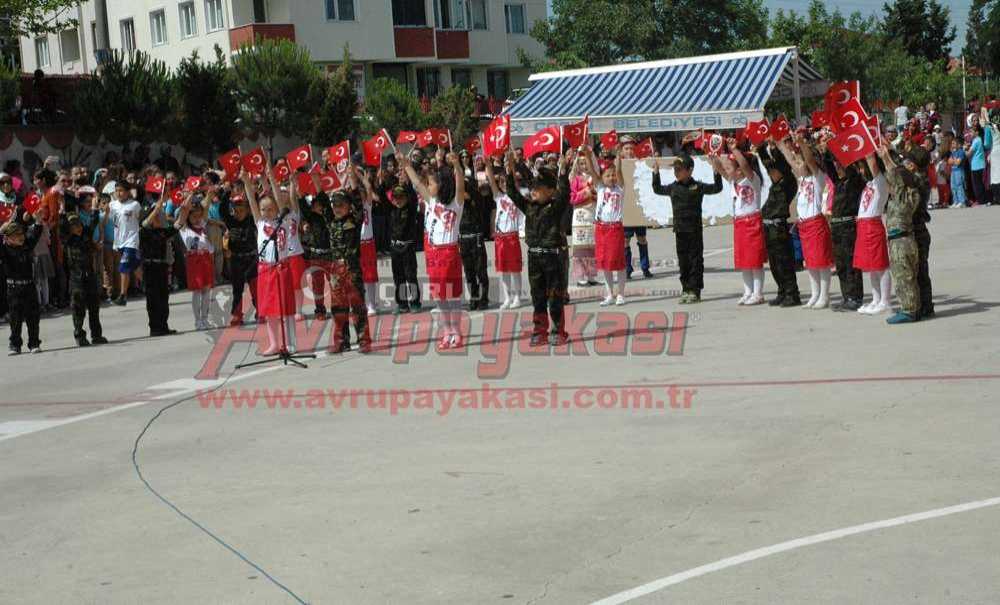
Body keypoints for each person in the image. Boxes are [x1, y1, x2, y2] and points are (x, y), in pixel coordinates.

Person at [504, 147, 571, 346]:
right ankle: (539, 330)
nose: (533, 191)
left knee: (555, 296)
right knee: (537, 296)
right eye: (532, 187)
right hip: (534, 257)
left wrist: (563, 171)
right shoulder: (529, 206)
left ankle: (558, 331)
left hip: (553, 257)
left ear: (550, 191)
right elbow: (512, 193)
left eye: (538, 188)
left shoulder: (555, 206)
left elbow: (565, 193)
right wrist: (509, 171)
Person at [402, 150, 466, 350]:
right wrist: (406, 165)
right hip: (433, 254)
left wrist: (457, 166)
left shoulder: (456, 204)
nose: (427, 186)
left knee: (452, 295)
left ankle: (457, 332)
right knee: (439, 296)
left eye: (431, 183)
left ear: (442, 184)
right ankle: (447, 331)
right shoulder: (431, 202)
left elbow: (460, 184)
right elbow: (416, 183)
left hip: (449, 253)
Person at [651, 154, 723, 304]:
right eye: (675, 169)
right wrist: (655, 173)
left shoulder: (697, 186)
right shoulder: (673, 187)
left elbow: (717, 188)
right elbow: (657, 189)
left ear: (690, 170)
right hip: (680, 231)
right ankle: (685, 289)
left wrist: (716, 170)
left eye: (679, 169)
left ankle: (695, 291)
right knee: (683, 262)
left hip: (694, 230)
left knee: (695, 261)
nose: (676, 172)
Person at [242, 167, 298, 355]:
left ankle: (290, 343)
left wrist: (272, 179)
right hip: (265, 269)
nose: (266, 212)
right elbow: (251, 200)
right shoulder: (260, 223)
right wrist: (246, 182)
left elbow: (279, 199)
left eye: (270, 208)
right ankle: (274, 344)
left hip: (282, 267)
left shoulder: (284, 221)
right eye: (263, 209)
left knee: (286, 308)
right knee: (270, 309)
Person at [777, 133, 833, 309]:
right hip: (804, 225)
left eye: (802, 162)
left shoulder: (818, 176)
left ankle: (824, 295)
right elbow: (791, 160)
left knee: (821, 262)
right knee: (810, 262)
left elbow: (809, 160)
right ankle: (815, 294)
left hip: (816, 222)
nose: (799, 164)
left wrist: (801, 144)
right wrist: (781, 145)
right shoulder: (802, 179)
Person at [712, 139, 766, 305]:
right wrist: (713, 155)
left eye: (731, 168)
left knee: (755, 261)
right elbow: (720, 168)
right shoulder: (733, 182)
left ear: (740, 170)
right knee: (744, 261)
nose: (728, 171)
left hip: (752, 222)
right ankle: (747, 291)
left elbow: (744, 165)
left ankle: (758, 293)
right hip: (740, 223)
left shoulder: (752, 180)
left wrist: (735, 150)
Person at [323, 179, 372, 355]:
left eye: (341, 205)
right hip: (336, 269)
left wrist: (351, 179)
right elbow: (321, 201)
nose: (337, 208)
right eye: (335, 205)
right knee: (338, 307)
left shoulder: (355, 220)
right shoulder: (331, 220)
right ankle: (341, 341)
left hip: (352, 267)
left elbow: (358, 202)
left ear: (349, 206)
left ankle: (364, 340)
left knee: (357, 304)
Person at [820, 136, 865, 311]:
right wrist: (826, 151)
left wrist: (837, 148)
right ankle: (847, 296)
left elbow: (848, 167)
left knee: (851, 263)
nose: (838, 167)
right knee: (841, 264)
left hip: (848, 226)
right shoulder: (839, 183)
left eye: (841, 164)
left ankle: (856, 297)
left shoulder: (855, 181)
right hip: (837, 227)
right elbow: (829, 168)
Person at [878, 143, 922, 324]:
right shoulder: (910, 193)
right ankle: (914, 308)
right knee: (909, 276)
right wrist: (887, 157)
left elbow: (895, 175)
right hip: (905, 239)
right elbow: (896, 177)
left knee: (903, 277)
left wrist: (885, 158)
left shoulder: (904, 196)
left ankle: (909, 310)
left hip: (900, 240)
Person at [582, 145, 627, 306]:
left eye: (613, 175)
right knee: (605, 263)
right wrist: (587, 154)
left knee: (618, 263)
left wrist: (618, 155)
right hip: (601, 228)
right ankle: (609, 294)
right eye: (608, 175)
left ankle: (621, 294)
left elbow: (619, 171)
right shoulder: (600, 187)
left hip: (615, 229)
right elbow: (592, 172)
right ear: (602, 177)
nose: (612, 177)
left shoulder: (620, 189)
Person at [59, 209, 107, 347]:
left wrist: (95, 209)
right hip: (76, 277)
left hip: (89, 275)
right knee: (78, 308)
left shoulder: (86, 233)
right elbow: (62, 227)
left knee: (94, 306)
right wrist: (62, 213)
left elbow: (93, 222)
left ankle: (96, 335)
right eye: (74, 226)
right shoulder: (68, 239)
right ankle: (79, 335)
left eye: (79, 224)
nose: (78, 228)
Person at [852, 154, 892, 315]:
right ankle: (876, 299)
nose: (861, 171)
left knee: (880, 265)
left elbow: (873, 164)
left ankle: (885, 301)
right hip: (863, 226)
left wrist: (867, 150)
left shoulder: (880, 181)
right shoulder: (868, 183)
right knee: (870, 267)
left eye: (863, 167)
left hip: (873, 225)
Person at [2, 207, 45, 354]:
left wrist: (38, 220)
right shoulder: (4, 250)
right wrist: (3, 228)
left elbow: (36, 233)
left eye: (21, 234)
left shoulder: (26, 245)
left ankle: (34, 343)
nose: (20, 237)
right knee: (15, 318)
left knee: (33, 317)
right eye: (16, 235)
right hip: (14, 288)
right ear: (7, 238)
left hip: (29, 286)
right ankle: (15, 345)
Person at [484, 157, 523, 310]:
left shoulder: (516, 196)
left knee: (515, 269)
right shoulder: (498, 197)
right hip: (500, 238)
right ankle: (507, 297)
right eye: (501, 182)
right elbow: (491, 181)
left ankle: (518, 297)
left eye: (506, 181)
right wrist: (488, 166)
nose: (503, 184)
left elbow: (513, 180)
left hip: (512, 237)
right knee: (503, 270)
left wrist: (511, 165)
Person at [173, 192, 217, 330]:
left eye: (199, 216)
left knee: (207, 291)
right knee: (197, 291)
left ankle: (205, 319)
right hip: (194, 261)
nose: (198, 219)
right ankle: (197, 321)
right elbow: (183, 211)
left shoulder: (202, 225)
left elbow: (206, 205)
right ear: (188, 216)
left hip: (206, 259)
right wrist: (190, 195)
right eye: (194, 216)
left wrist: (209, 194)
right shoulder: (183, 228)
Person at [139, 189, 178, 337]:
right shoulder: (144, 232)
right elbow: (145, 223)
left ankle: (163, 326)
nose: (159, 219)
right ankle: (155, 327)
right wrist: (157, 208)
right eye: (156, 217)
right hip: (150, 267)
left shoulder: (162, 232)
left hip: (162, 266)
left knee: (163, 297)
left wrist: (185, 208)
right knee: (153, 298)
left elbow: (178, 225)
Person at [219, 189, 258, 326]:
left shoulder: (252, 220)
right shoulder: (231, 222)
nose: (239, 213)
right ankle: (237, 315)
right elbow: (222, 210)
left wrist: (251, 191)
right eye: (236, 210)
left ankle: (261, 311)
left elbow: (255, 204)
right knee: (237, 289)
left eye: (242, 210)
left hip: (251, 259)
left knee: (255, 288)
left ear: (247, 210)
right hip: (236, 260)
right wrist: (226, 193)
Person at [458, 162, 492, 311]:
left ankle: (484, 298)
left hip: (476, 237)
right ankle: (474, 297)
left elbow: (473, 195)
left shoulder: (475, 195)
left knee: (481, 271)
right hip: (463, 238)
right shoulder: (456, 198)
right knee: (469, 272)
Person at [299, 179, 333, 320]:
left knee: (335, 283)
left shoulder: (330, 216)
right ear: (312, 207)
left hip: (330, 255)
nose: (319, 207)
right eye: (316, 205)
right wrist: (300, 192)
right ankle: (320, 310)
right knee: (317, 285)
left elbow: (325, 201)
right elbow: (303, 206)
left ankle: (338, 307)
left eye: (321, 205)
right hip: (315, 256)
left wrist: (318, 186)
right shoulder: (311, 217)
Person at [108, 180, 143, 306]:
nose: (119, 193)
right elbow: (111, 220)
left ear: (128, 192)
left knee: (123, 267)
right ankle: (149, 285)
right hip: (119, 241)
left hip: (131, 240)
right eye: (116, 191)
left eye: (121, 190)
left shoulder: (134, 204)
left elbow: (141, 219)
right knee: (134, 266)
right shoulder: (112, 205)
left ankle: (123, 296)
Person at [568, 154, 598, 287]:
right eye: (581, 163)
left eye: (586, 163)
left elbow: (599, 194)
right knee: (580, 247)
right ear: (577, 165)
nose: (584, 166)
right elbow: (572, 198)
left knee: (592, 246)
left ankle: (591, 275)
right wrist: (586, 192)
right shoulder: (575, 179)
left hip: (592, 213)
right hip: (580, 215)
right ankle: (581, 277)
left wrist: (594, 194)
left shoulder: (594, 178)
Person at [968, 123, 988, 206]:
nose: (970, 134)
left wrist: (964, 150)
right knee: (980, 183)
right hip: (979, 165)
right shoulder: (979, 140)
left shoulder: (976, 141)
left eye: (971, 132)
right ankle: (983, 199)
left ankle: (981, 200)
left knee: (977, 184)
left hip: (976, 166)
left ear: (977, 132)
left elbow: (969, 154)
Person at [948, 139, 968, 208]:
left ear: (958, 144)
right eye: (952, 143)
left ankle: (962, 202)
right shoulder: (953, 152)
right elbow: (949, 162)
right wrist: (954, 160)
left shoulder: (961, 152)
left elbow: (958, 163)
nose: (952, 145)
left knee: (959, 185)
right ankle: (956, 201)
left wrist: (953, 161)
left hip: (959, 171)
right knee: (953, 187)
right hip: (953, 171)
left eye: (953, 143)